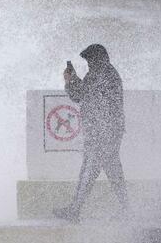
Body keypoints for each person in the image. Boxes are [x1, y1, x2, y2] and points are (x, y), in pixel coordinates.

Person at [53, 44, 129, 223]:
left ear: (97, 59)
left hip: (103, 134)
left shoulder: (101, 74)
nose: (88, 64)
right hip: (108, 133)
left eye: (89, 61)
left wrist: (70, 80)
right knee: (113, 173)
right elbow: (85, 94)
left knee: (89, 171)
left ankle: (75, 210)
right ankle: (127, 210)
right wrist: (73, 80)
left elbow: (80, 94)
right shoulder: (107, 73)